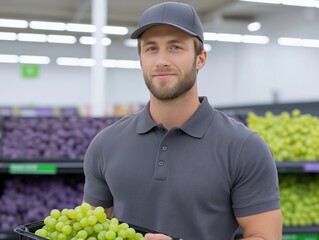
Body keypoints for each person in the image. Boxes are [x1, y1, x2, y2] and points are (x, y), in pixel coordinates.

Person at [83, 2, 282, 240]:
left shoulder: (244, 147)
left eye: (175, 47)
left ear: (200, 58)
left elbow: (264, 236)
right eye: (151, 49)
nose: (161, 60)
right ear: (140, 59)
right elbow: (89, 229)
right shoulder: (106, 144)